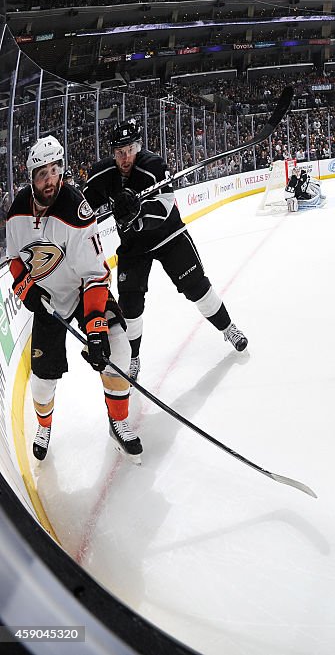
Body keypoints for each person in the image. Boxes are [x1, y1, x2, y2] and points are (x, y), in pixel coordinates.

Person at [6, 136, 141, 463]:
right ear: (31, 177)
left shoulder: (76, 210)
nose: (51, 178)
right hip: (49, 300)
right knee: (41, 383)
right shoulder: (16, 214)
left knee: (118, 347)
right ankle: (44, 426)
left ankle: (118, 421)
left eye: (56, 169)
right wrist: (26, 289)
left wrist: (95, 327)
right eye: (43, 173)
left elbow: (96, 275)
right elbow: (14, 261)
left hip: (84, 293)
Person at [82, 119, 248, 382]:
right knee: (130, 306)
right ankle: (134, 357)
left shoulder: (153, 166)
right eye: (119, 153)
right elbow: (82, 207)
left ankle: (229, 328)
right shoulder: (104, 176)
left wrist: (138, 212)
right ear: (113, 153)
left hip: (168, 236)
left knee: (198, 288)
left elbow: (166, 205)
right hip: (134, 247)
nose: (125, 158)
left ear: (138, 147)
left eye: (129, 151)